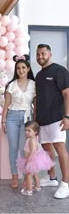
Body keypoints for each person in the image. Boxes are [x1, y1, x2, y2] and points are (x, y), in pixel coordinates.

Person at [35, 44, 69, 199]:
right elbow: (38, 100)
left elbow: (67, 94)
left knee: (60, 149)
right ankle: (52, 178)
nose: (40, 56)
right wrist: (36, 120)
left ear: (50, 53)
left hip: (57, 118)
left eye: (43, 53)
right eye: (38, 54)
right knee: (47, 150)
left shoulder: (60, 71)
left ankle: (66, 184)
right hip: (42, 120)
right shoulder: (39, 75)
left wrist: (67, 116)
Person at [1, 54, 36, 188]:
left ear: (28, 69)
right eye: (18, 68)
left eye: (23, 68)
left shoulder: (34, 85)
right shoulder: (11, 85)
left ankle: (27, 177)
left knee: (25, 149)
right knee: (13, 149)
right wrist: (3, 121)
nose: (20, 70)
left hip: (27, 119)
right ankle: (14, 176)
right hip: (12, 118)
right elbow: (6, 104)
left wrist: (35, 123)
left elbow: (36, 105)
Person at [17, 121, 55, 196]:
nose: (26, 132)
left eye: (29, 131)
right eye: (25, 130)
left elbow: (33, 151)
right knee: (35, 174)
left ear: (35, 132)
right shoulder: (32, 138)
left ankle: (29, 190)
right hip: (33, 159)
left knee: (28, 175)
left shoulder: (32, 140)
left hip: (31, 160)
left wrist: (28, 161)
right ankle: (37, 187)